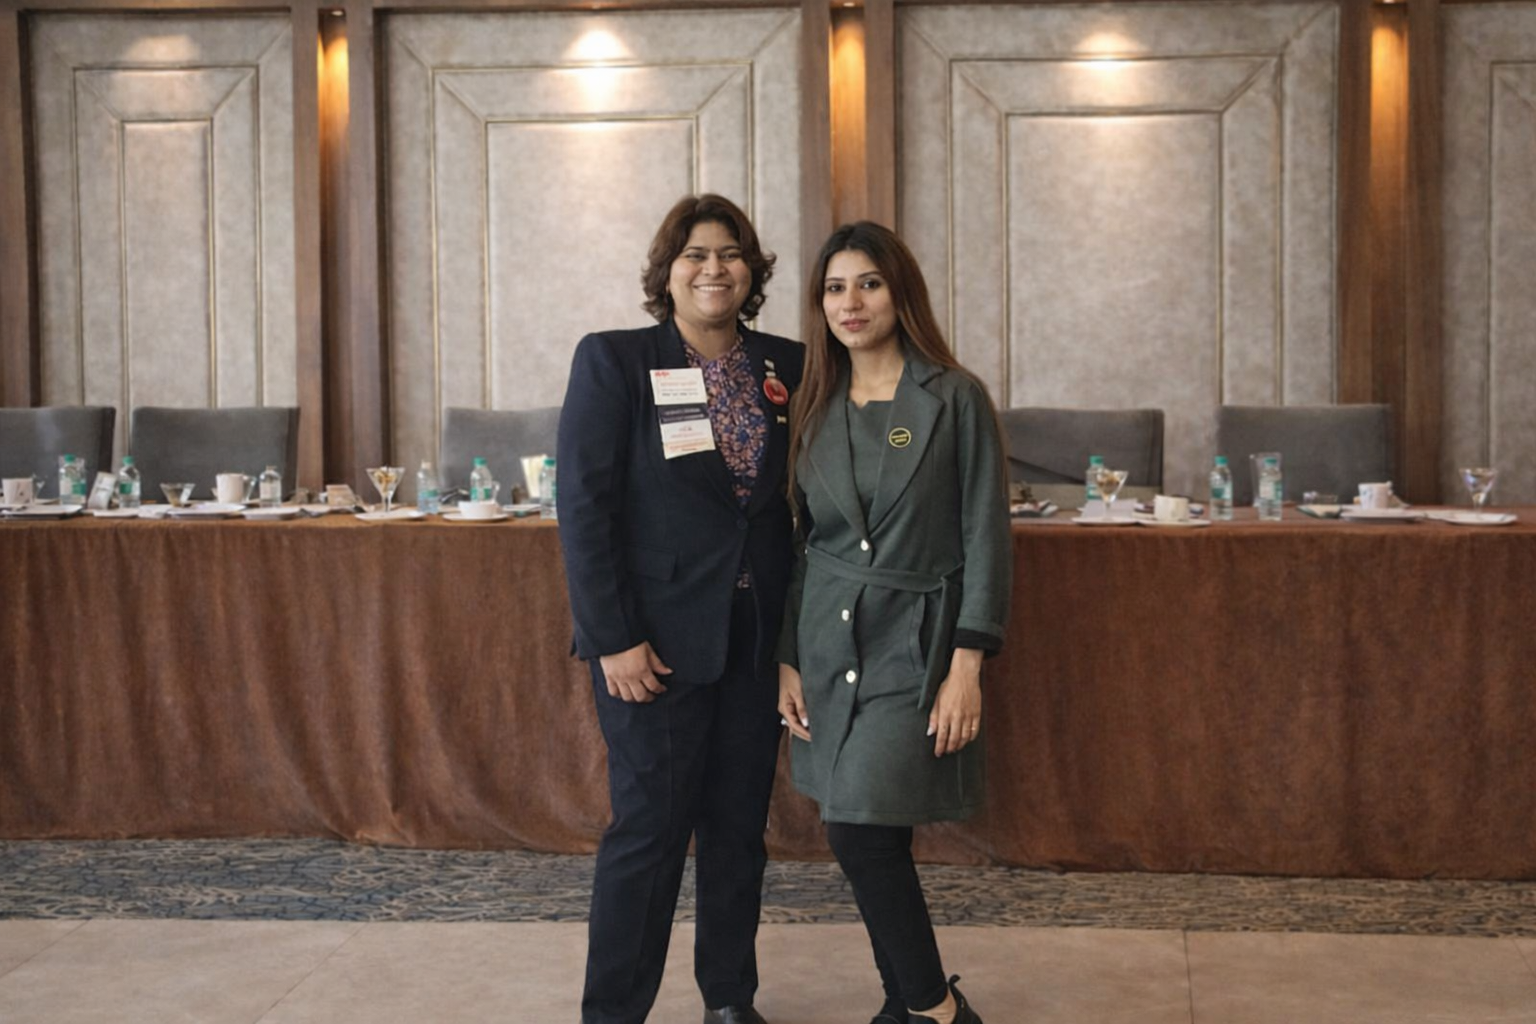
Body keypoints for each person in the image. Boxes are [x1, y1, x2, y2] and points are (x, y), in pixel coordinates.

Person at [557, 194, 804, 1024]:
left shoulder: (788, 365)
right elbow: (584, 508)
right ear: (667, 271)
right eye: (695, 254)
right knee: (651, 831)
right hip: (653, 645)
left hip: (755, 639)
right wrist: (613, 638)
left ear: (752, 271)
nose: (713, 268)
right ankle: (613, 1013)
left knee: (738, 831)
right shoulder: (617, 360)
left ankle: (730, 1001)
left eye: (730, 253)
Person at [776, 222, 1011, 1024]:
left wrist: (968, 663)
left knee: (860, 831)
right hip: (826, 639)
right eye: (835, 288)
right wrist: (786, 656)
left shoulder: (952, 397)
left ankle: (936, 1010)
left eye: (869, 283)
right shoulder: (811, 404)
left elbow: (985, 536)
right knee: (865, 827)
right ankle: (905, 1004)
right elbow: (802, 544)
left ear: (899, 291)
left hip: (916, 643)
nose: (852, 302)